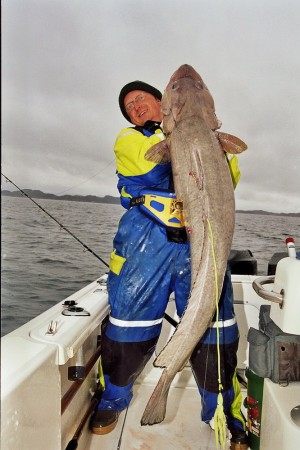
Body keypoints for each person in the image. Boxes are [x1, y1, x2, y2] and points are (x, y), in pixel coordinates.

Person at [90, 80, 248, 449]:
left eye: (141, 98)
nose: (135, 107)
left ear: (163, 102)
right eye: (129, 105)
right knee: (129, 329)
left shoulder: (208, 136)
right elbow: (154, 170)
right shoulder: (129, 139)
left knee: (217, 333)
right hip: (146, 247)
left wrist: (210, 138)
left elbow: (229, 180)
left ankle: (224, 412)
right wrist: (195, 140)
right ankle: (113, 399)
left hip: (202, 241)